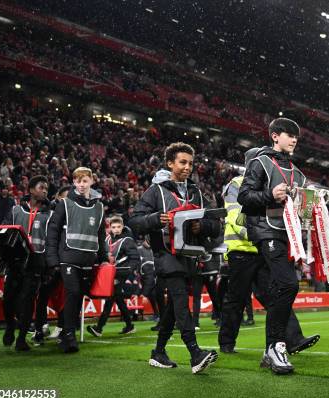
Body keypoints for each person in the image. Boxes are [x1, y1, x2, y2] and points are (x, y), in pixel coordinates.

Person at [219, 147, 319, 356]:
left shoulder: (270, 184)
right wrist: (259, 232)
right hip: (242, 249)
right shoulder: (236, 185)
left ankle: (293, 339)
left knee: (276, 295)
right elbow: (235, 217)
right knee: (236, 298)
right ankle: (226, 343)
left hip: (263, 247)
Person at [129, 142, 220, 373]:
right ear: (170, 163)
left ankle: (158, 352)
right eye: (182, 162)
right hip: (165, 255)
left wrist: (203, 227)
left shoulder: (197, 192)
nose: (188, 167)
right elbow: (135, 221)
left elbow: (215, 225)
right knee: (180, 299)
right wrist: (155, 219)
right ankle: (195, 353)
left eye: (190, 163)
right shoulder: (155, 191)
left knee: (172, 308)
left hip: (189, 255)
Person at [237, 118, 310, 374]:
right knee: (288, 284)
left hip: (287, 235)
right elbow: (243, 196)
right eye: (289, 135)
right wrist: (271, 195)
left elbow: (305, 206)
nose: (293, 140)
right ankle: (276, 345)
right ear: (275, 136)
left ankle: (272, 347)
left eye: (296, 137)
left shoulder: (296, 171)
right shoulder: (260, 162)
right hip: (266, 231)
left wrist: (316, 202)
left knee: (281, 287)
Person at [46, 167, 109, 353]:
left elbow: (100, 234)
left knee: (78, 296)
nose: (82, 185)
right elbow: (53, 232)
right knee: (72, 293)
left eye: (85, 181)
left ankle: (67, 333)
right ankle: (69, 334)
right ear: (74, 183)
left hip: (88, 260)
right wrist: (52, 259)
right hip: (68, 258)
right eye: (78, 181)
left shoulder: (99, 207)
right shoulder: (64, 204)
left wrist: (104, 258)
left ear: (91, 181)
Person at [1, 176, 52, 351]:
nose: (45, 190)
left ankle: (22, 338)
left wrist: (48, 266)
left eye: (46, 188)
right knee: (8, 301)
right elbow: (4, 231)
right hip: (15, 262)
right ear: (30, 190)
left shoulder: (49, 215)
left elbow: (51, 242)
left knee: (28, 301)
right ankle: (10, 325)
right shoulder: (16, 211)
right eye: (41, 187)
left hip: (35, 264)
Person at [87, 216, 140, 337]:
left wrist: (128, 270)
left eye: (118, 227)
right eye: (113, 227)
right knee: (118, 298)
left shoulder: (127, 240)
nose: (116, 229)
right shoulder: (107, 239)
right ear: (110, 227)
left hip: (121, 273)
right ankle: (129, 325)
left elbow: (135, 258)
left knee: (111, 298)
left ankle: (99, 328)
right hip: (109, 273)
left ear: (122, 226)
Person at [33, 185, 70, 343]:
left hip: (64, 261)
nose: (67, 201)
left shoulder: (72, 215)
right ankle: (40, 328)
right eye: (64, 197)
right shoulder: (50, 215)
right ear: (58, 198)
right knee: (43, 296)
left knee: (63, 297)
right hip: (50, 261)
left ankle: (62, 327)